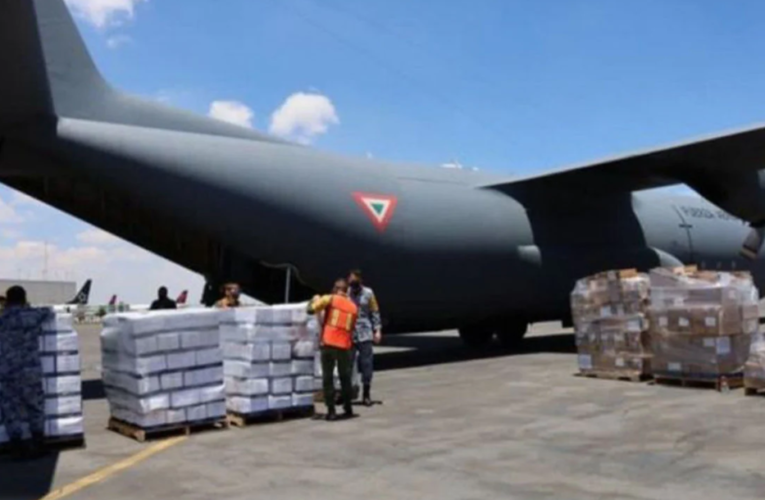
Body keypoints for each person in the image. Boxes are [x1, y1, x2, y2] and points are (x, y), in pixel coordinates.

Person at [0, 285, 54, 458]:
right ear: (24, 299)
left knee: (11, 410)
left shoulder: (3, 318)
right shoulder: (32, 315)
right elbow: (50, 312)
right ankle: (38, 443)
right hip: (30, 370)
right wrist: (27, 307)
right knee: (35, 406)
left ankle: (17, 447)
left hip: (7, 372)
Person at [307, 279, 359, 421]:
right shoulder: (353, 307)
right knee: (345, 378)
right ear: (346, 290)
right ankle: (348, 407)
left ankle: (331, 411)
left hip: (329, 343)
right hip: (344, 346)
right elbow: (352, 327)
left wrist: (313, 300)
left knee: (328, 378)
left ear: (335, 289)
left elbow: (310, 310)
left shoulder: (329, 299)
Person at [347, 269, 382, 406]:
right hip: (350, 333)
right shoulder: (347, 293)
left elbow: (374, 311)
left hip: (365, 332)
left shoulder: (368, 293)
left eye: (353, 278)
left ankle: (366, 394)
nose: (351, 281)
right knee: (348, 365)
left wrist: (377, 330)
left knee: (366, 364)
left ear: (360, 280)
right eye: (350, 279)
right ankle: (347, 392)